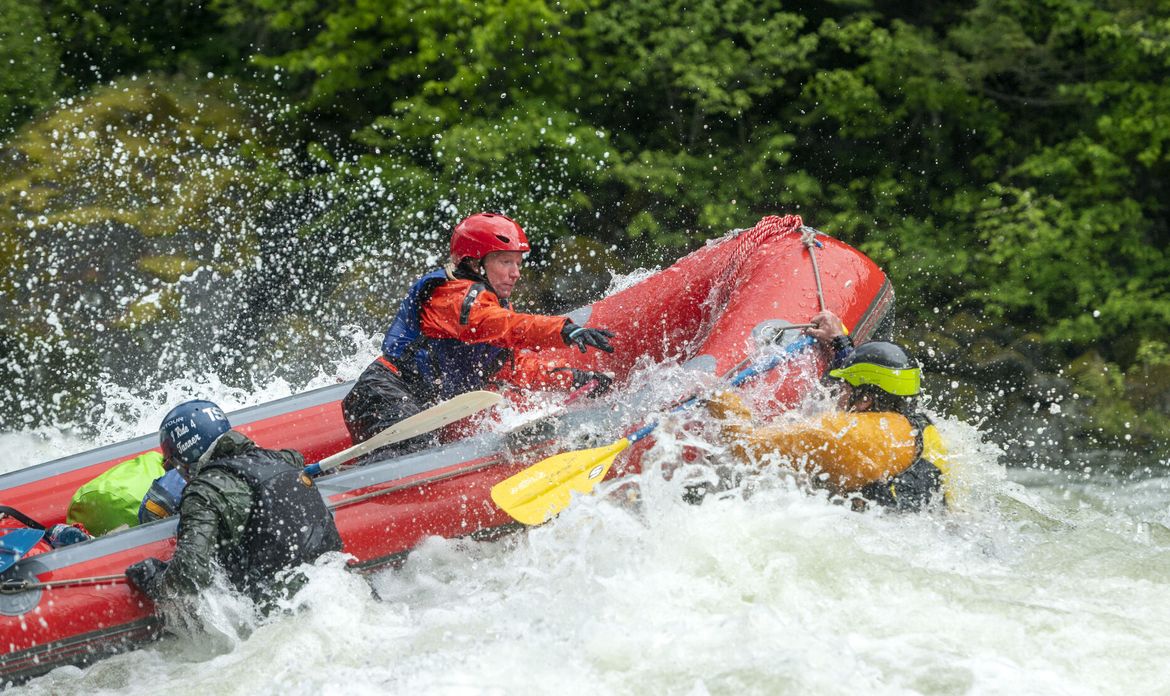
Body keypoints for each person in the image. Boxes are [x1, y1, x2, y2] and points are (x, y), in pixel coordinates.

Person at [342, 212, 617, 455]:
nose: (516, 273)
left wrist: (573, 379)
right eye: (506, 262)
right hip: (383, 393)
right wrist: (563, 329)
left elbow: (510, 365)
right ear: (476, 264)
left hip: (418, 405)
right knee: (417, 452)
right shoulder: (454, 298)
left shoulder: (493, 305)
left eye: (518, 263)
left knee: (428, 446)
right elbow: (502, 325)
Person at [706, 310, 950, 512]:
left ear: (864, 399)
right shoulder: (921, 426)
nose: (838, 394)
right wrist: (841, 344)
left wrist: (714, 392)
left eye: (844, 388)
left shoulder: (837, 433)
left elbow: (744, 446)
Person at [125, 400, 343, 606]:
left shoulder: (203, 492)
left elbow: (191, 575)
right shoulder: (285, 459)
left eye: (171, 462)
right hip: (336, 585)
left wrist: (154, 581)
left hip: (278, 608)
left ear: (184, 455)